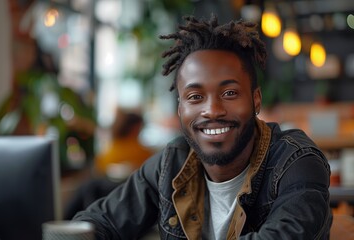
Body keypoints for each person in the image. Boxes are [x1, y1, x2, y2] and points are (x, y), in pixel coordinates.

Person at [73, 15, 332, 239]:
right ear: (180, 109)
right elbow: (97, 224)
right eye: (195, 97)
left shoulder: (296, 162)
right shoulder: (170, 165)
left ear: (256, 100)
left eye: (230, 93)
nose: (212, 110)